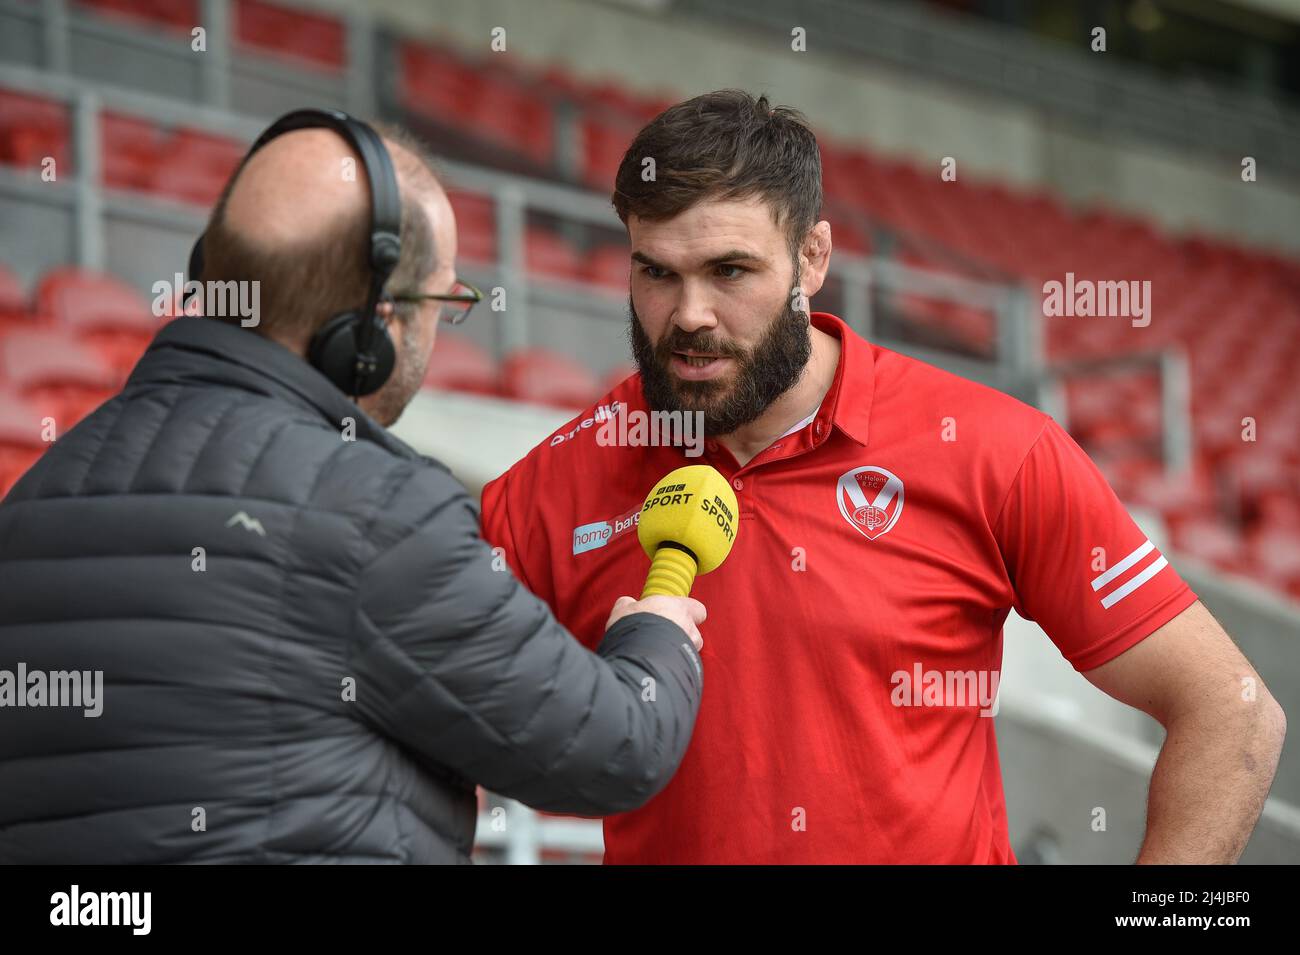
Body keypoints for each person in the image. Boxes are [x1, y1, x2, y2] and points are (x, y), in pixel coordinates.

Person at [481, 89, 1287, 864]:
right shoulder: (555, 484)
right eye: (657, 273)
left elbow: (1234, 713)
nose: (690, 314)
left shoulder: (994, 451)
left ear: (813, 257)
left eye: (730, 271)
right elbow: (437, 738)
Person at [0, 110, 706, 864]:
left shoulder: (30, 504)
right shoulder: (376, 513)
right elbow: (612, 747)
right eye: (442, 304)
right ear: (375, 328)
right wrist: (655, 630)